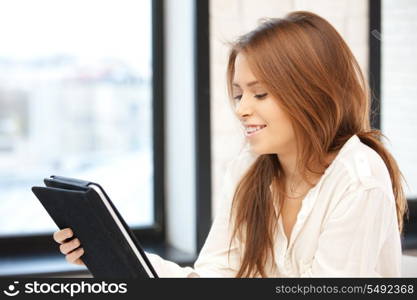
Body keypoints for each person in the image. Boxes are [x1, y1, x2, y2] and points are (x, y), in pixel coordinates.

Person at [53, 11, 408, 277]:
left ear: (311, 93)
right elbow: (214, 277)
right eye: (238, 94)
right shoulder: (248, 170)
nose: (241, 109)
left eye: (260, 93)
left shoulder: (358, 179)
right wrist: (117, 258)